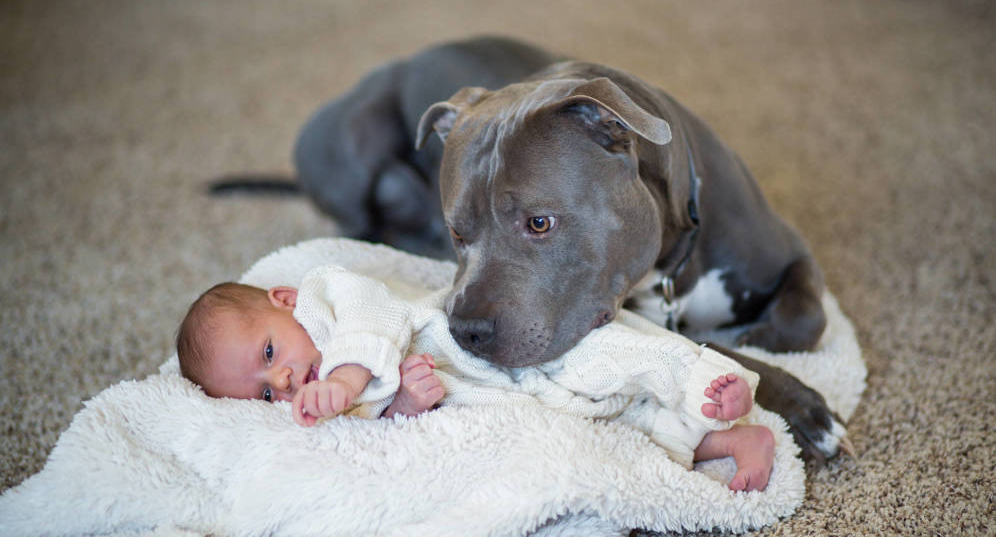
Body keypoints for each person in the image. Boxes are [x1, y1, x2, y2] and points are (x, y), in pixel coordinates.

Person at [176, 265, 775, 491]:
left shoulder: (327, 298)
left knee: (605, 357)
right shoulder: (323, 400)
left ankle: (703, 380)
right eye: (261, 391)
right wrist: (406, 401)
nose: (281, 379)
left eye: (270, 351)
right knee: (603, 418)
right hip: (495, 393)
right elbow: (385, 430)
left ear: (285, 300)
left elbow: (375, 314)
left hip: (501, 344)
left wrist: (349, 378)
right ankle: (724, 439)